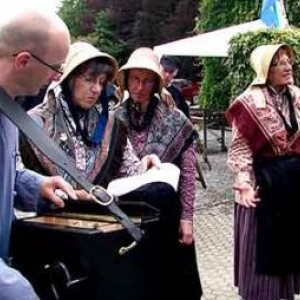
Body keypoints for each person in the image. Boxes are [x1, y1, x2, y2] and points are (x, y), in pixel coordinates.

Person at [0, 8, 79, 300]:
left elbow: (9, 171)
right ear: (22, 61)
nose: (58, 77)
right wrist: (17, 291)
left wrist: (34, 185)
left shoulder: (9, 108)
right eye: (55, 67)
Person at [115, 47, 202, 299]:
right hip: (128, 213)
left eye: (146, 80)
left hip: (167, 214)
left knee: (173, 283)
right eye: (135, 79)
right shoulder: (114, 120)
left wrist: (187, 219)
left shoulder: (175, 120)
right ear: (127, 80)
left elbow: (187, 174)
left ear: (155, 83)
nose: (140, 87)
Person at [20, 41, 160, 195]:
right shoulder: (31, 124)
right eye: (89, 80)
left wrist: (145, 165)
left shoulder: (110, 125)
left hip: (97, 215)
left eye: (101, 82)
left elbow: (130, 170)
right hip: (45, 216)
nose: (97, 89)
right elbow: (17, 181)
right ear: (69, 79)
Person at [226, 44, 300, 300]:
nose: (287, 66)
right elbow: (240, 148)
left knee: (290, 249)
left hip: (292, 185)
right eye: (279, 62)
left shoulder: (297, 96)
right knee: (264, 256)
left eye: (288, 61)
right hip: (262, 187)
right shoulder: (249, 102)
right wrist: (244, 182)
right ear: (264, 70)